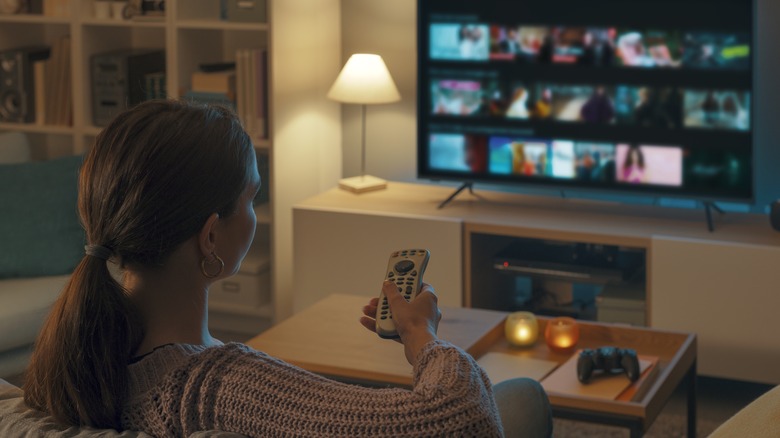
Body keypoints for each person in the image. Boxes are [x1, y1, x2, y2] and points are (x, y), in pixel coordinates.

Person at [22, 100, 552, 437]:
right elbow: (461, 422)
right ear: (211, 236)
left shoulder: (73, 357)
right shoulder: (218, 388)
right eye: (251, 199)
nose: (254, 214)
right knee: (522, 399)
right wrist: (421, 335)